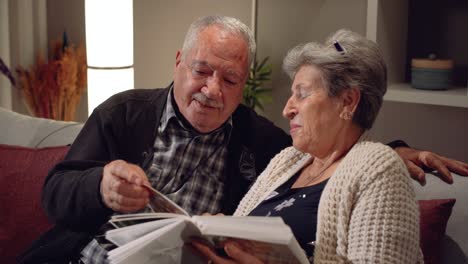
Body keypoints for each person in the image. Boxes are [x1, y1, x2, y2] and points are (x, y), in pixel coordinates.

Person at [19, 16, 467, 264]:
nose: (213, 89)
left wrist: (392, 152)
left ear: (243, 84)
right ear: (179, 63)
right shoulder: (124, 113)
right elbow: (55, 192)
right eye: (201, 71)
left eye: (230, 78)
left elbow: (343, 154)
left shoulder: (264, 143)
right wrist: (100, 186)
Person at [192, 29, 424, 263]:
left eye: (302, 95)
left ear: (348, 101)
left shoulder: (379, 171)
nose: (287, 110)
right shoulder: (287, 161)